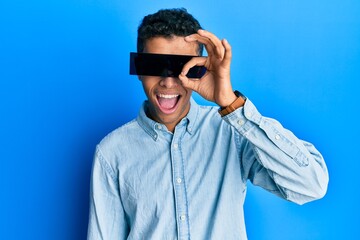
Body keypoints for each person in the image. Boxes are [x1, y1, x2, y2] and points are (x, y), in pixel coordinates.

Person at [87, 8, 329, 240]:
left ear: (200, 69)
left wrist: (231, 105)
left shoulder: (231, 132)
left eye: (182, 68)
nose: (168, 83)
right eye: (154, 66)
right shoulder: (111, 152)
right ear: (139, 70)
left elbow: (311, 185)